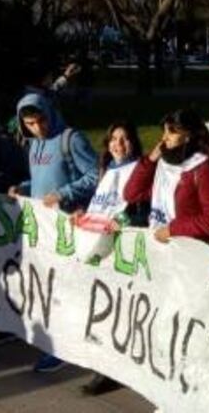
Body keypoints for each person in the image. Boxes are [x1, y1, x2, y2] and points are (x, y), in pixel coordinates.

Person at [7, 92, 99, 373]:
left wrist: (63, 193)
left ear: (49, 113)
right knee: (48, 287)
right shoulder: (33, 145)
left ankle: (64, 348)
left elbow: (95, 175)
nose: (38, 128)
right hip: (42, 230)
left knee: (64, 289)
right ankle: (59, 343)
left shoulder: (71, 139)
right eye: (31, 124)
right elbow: (39, 181)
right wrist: (23, 188)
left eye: (40, 120)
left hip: (69, 225)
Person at [76, 121, 143, 396]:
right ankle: (105, 368)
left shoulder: (141, 170)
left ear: (133, 143)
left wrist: (128, 220)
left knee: (124, 312)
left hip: (126, 248)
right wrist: (82, 214)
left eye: (125, 138)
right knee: (103, 309)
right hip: (101, 248)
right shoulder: (107, 170)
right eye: (114, 138)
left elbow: (146, 208)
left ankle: (116, 369)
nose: (119, 144)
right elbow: (99, 204)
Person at [123, 109, 209, 245]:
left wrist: (172, 229)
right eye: (164, 131)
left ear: (188, 135)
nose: (164, 138)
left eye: (171, 132)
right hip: (161, 245)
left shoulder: (203, 168)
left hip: (191, 250)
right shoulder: (163, 164)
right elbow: (131, 194)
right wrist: (150, 160)